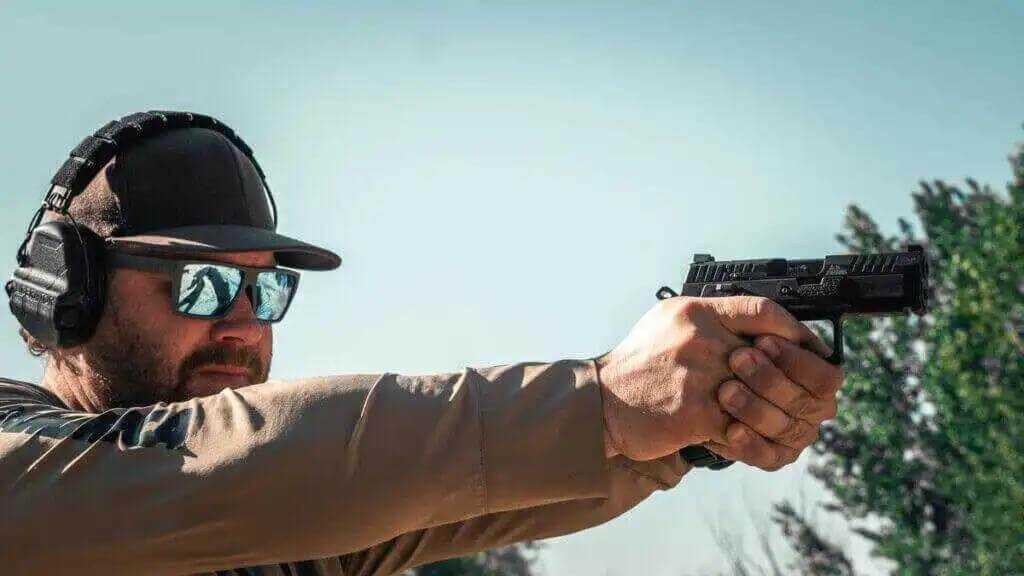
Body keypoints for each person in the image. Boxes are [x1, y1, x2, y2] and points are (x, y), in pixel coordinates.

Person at [0, 112, 844, 576]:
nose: (244, 323)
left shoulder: (286, 532)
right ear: (70, 294)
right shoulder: (21, 462)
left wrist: (695, 426)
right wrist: (605, 397)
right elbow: (224, 469)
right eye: (204, 284)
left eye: (267, 288)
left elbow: (483, 492)